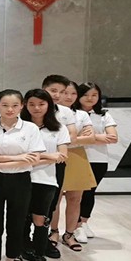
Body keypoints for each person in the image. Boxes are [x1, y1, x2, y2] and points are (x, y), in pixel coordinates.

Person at [0, 90, 45, 261]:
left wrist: (0, 160)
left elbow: (34, 158)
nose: (10, 109)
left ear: (21, 106)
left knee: (17, 223)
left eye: (15, 105)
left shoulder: (30, 128)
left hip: (21, 180)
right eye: (5, 105)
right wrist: (19, 158)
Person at [20, 89, 70, 261]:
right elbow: (16, 154)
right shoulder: (20, 126)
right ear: (25, 105)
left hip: (47, 180)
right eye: (32, 104)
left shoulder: (59, 128)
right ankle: (20, 252)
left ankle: (39, 254)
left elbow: (62, 156)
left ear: (49, 105)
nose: (36, 108)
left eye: (41, 104)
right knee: (21, 218)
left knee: (41, 218)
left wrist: (32, 158)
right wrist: (49, 156)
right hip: (21, 178)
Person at [49, 81, 96, 251]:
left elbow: (91, 138)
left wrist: (69, 139)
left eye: (73, 93)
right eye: (64, 92)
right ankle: (53, 231)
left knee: (75, 199)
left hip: (77, 157)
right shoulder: (48, 112)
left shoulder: (82, 115)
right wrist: (74, 138)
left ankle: (69, 234)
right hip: (55, 157)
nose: (68, 97)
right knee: (54, 199)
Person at [73, 82, 118, 240]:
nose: (90, 98)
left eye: (94, 95)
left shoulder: (104, 115)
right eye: (86, 95)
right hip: (78, 158)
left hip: (99, 159)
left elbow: (113, 138)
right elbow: (71, 138)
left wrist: (88, 137)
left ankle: (84, 222)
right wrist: (99, 137)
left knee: (90, 192)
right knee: (76, 194)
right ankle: (76, 225)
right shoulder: (73, 115)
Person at [40, 75, 78, 259]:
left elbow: (72, 136)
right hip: (30, 163)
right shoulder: (32, 108)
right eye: (53, 90)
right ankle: (25, 241)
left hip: (57, 163)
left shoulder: (65, 112)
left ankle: (44, 238)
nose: (57, 95)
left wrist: (59, 145)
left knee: (52, 201)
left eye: (62, 92)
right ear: (43, 89)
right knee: (28, 204)